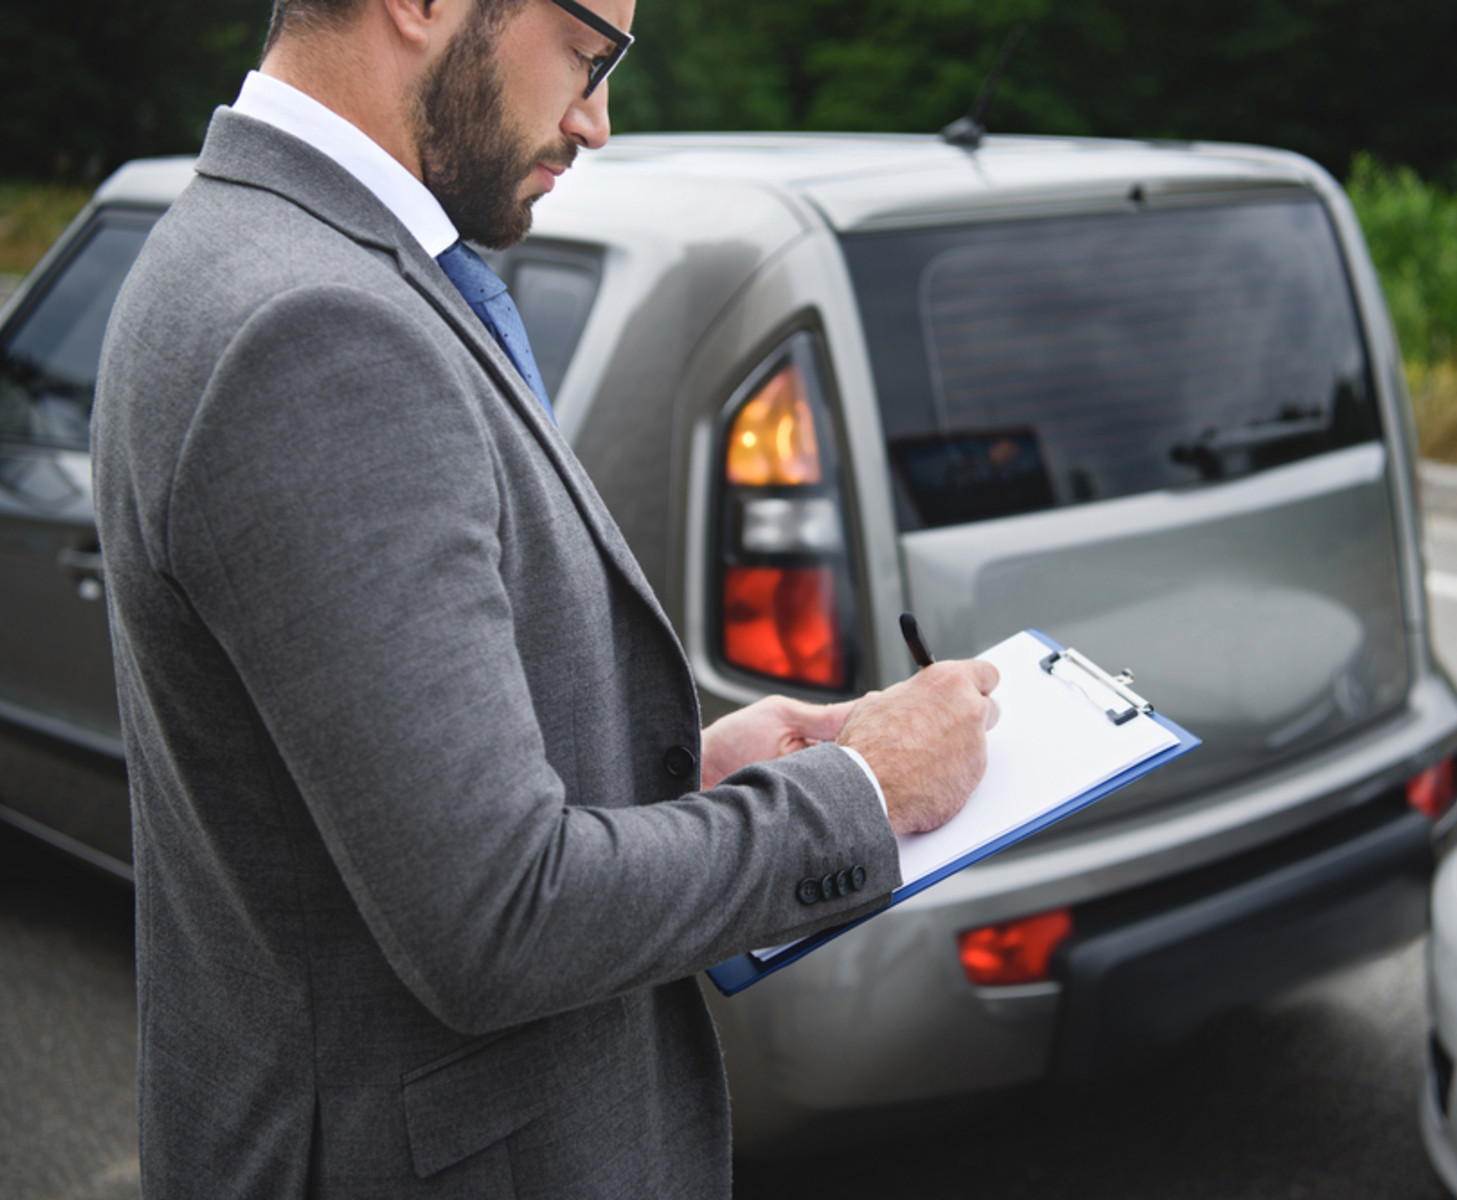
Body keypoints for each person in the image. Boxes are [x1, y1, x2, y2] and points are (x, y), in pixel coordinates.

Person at [89, 0, 1000, 1194]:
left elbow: (369, 800)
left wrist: (675, 772)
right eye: (588, 51)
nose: (597, 119)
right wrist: (864, 797)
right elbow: (495, 921)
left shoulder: (249, 248)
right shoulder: (316, 329)